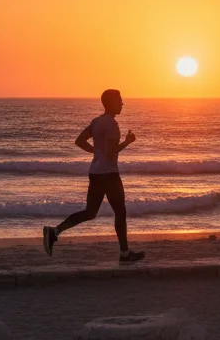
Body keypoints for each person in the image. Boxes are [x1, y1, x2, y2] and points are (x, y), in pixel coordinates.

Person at [42, 89, 145, 263]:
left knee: (90, 212)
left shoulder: (96, 122)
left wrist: (96, 153)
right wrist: (127, 142)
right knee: (120, 212)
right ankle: (125, 253)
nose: (122, 103)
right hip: (109, 175)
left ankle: (55, 231)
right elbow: (111, 152)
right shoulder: (112, 124)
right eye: (119, 100)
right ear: (111, 102)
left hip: (95, 173)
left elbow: (79, 141)